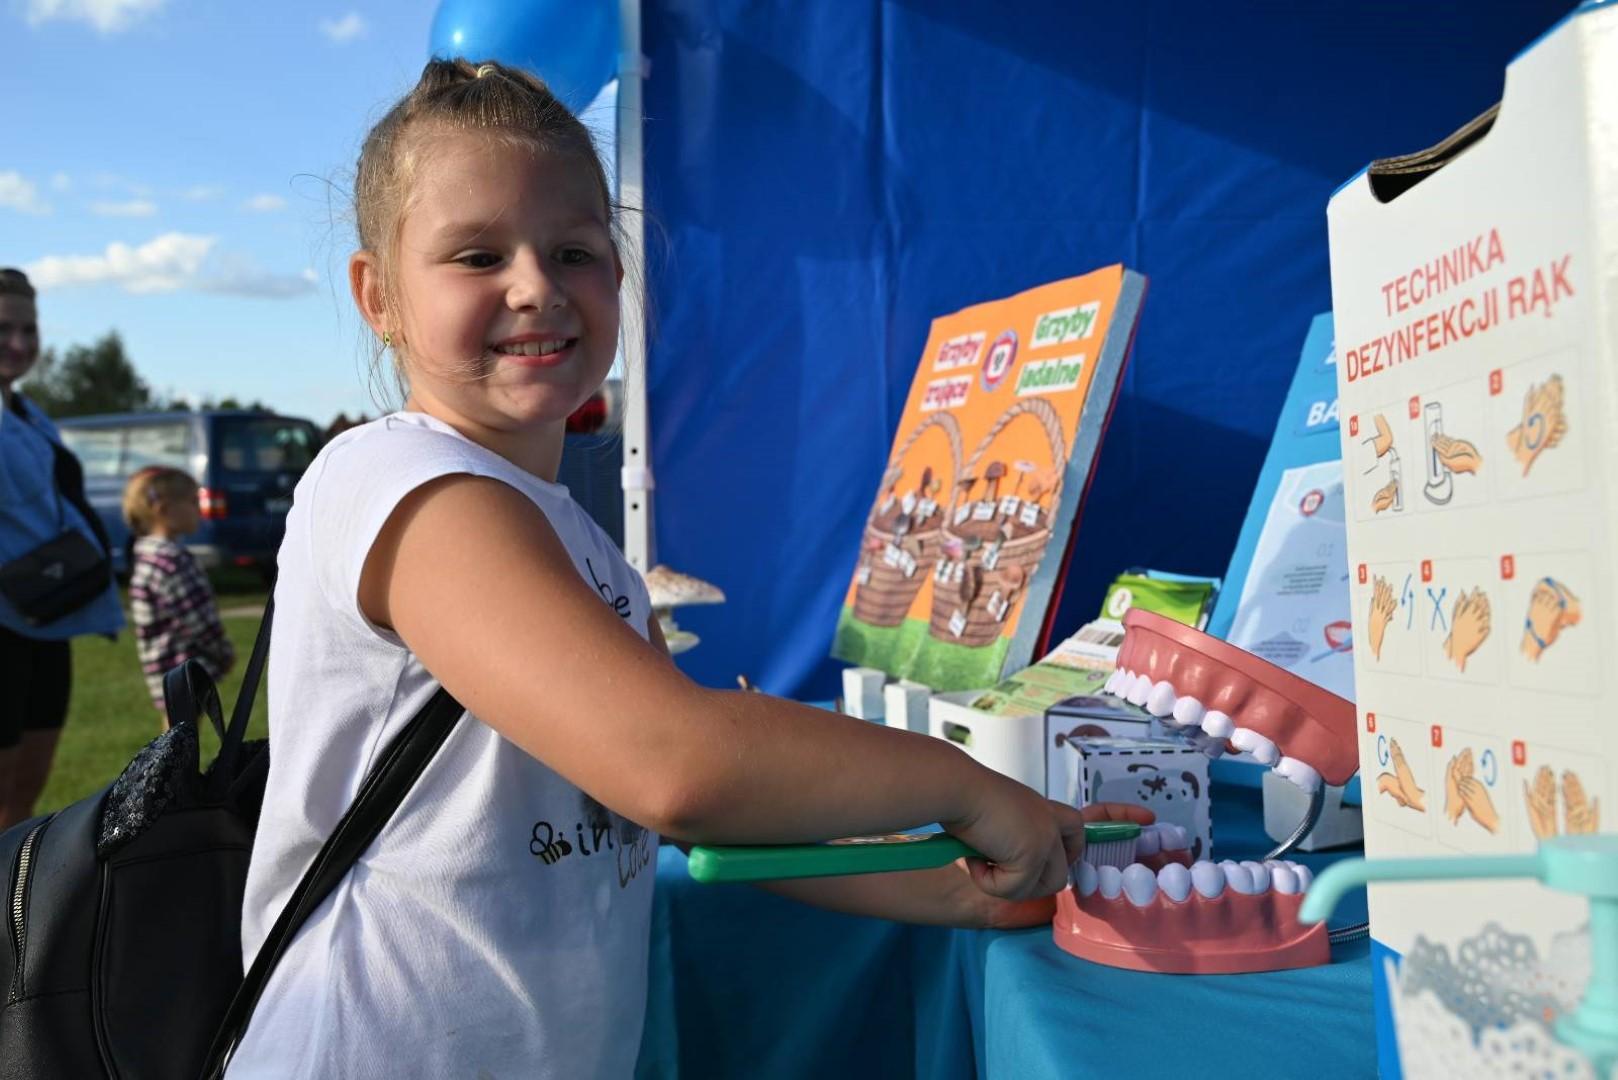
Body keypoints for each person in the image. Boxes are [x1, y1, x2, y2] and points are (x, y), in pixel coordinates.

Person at [230, 60, 1143, 1078]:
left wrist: (953, 888)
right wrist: (964, 788)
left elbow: (685, 821)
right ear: (380, 296)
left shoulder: (582, 547)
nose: (535, 287)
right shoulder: (400, 483)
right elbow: (677, 767)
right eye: (478, 255)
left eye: (574, 252)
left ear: (617, 279)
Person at [0, 268, 124, 829]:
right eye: (4, 329)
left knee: (22, 801)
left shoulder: (29, 414)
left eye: (28, 329)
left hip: (47, 622)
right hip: (5, 628)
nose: (19, 343)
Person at [122, 466, 234, 717]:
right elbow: (196, 616)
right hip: (183, 666)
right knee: (181, 730)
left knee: (177, 726)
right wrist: (222, 651)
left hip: (161, 667)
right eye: (193, 502)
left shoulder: (147, 556)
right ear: (163, 509)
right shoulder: (172, 561)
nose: (199, 510)